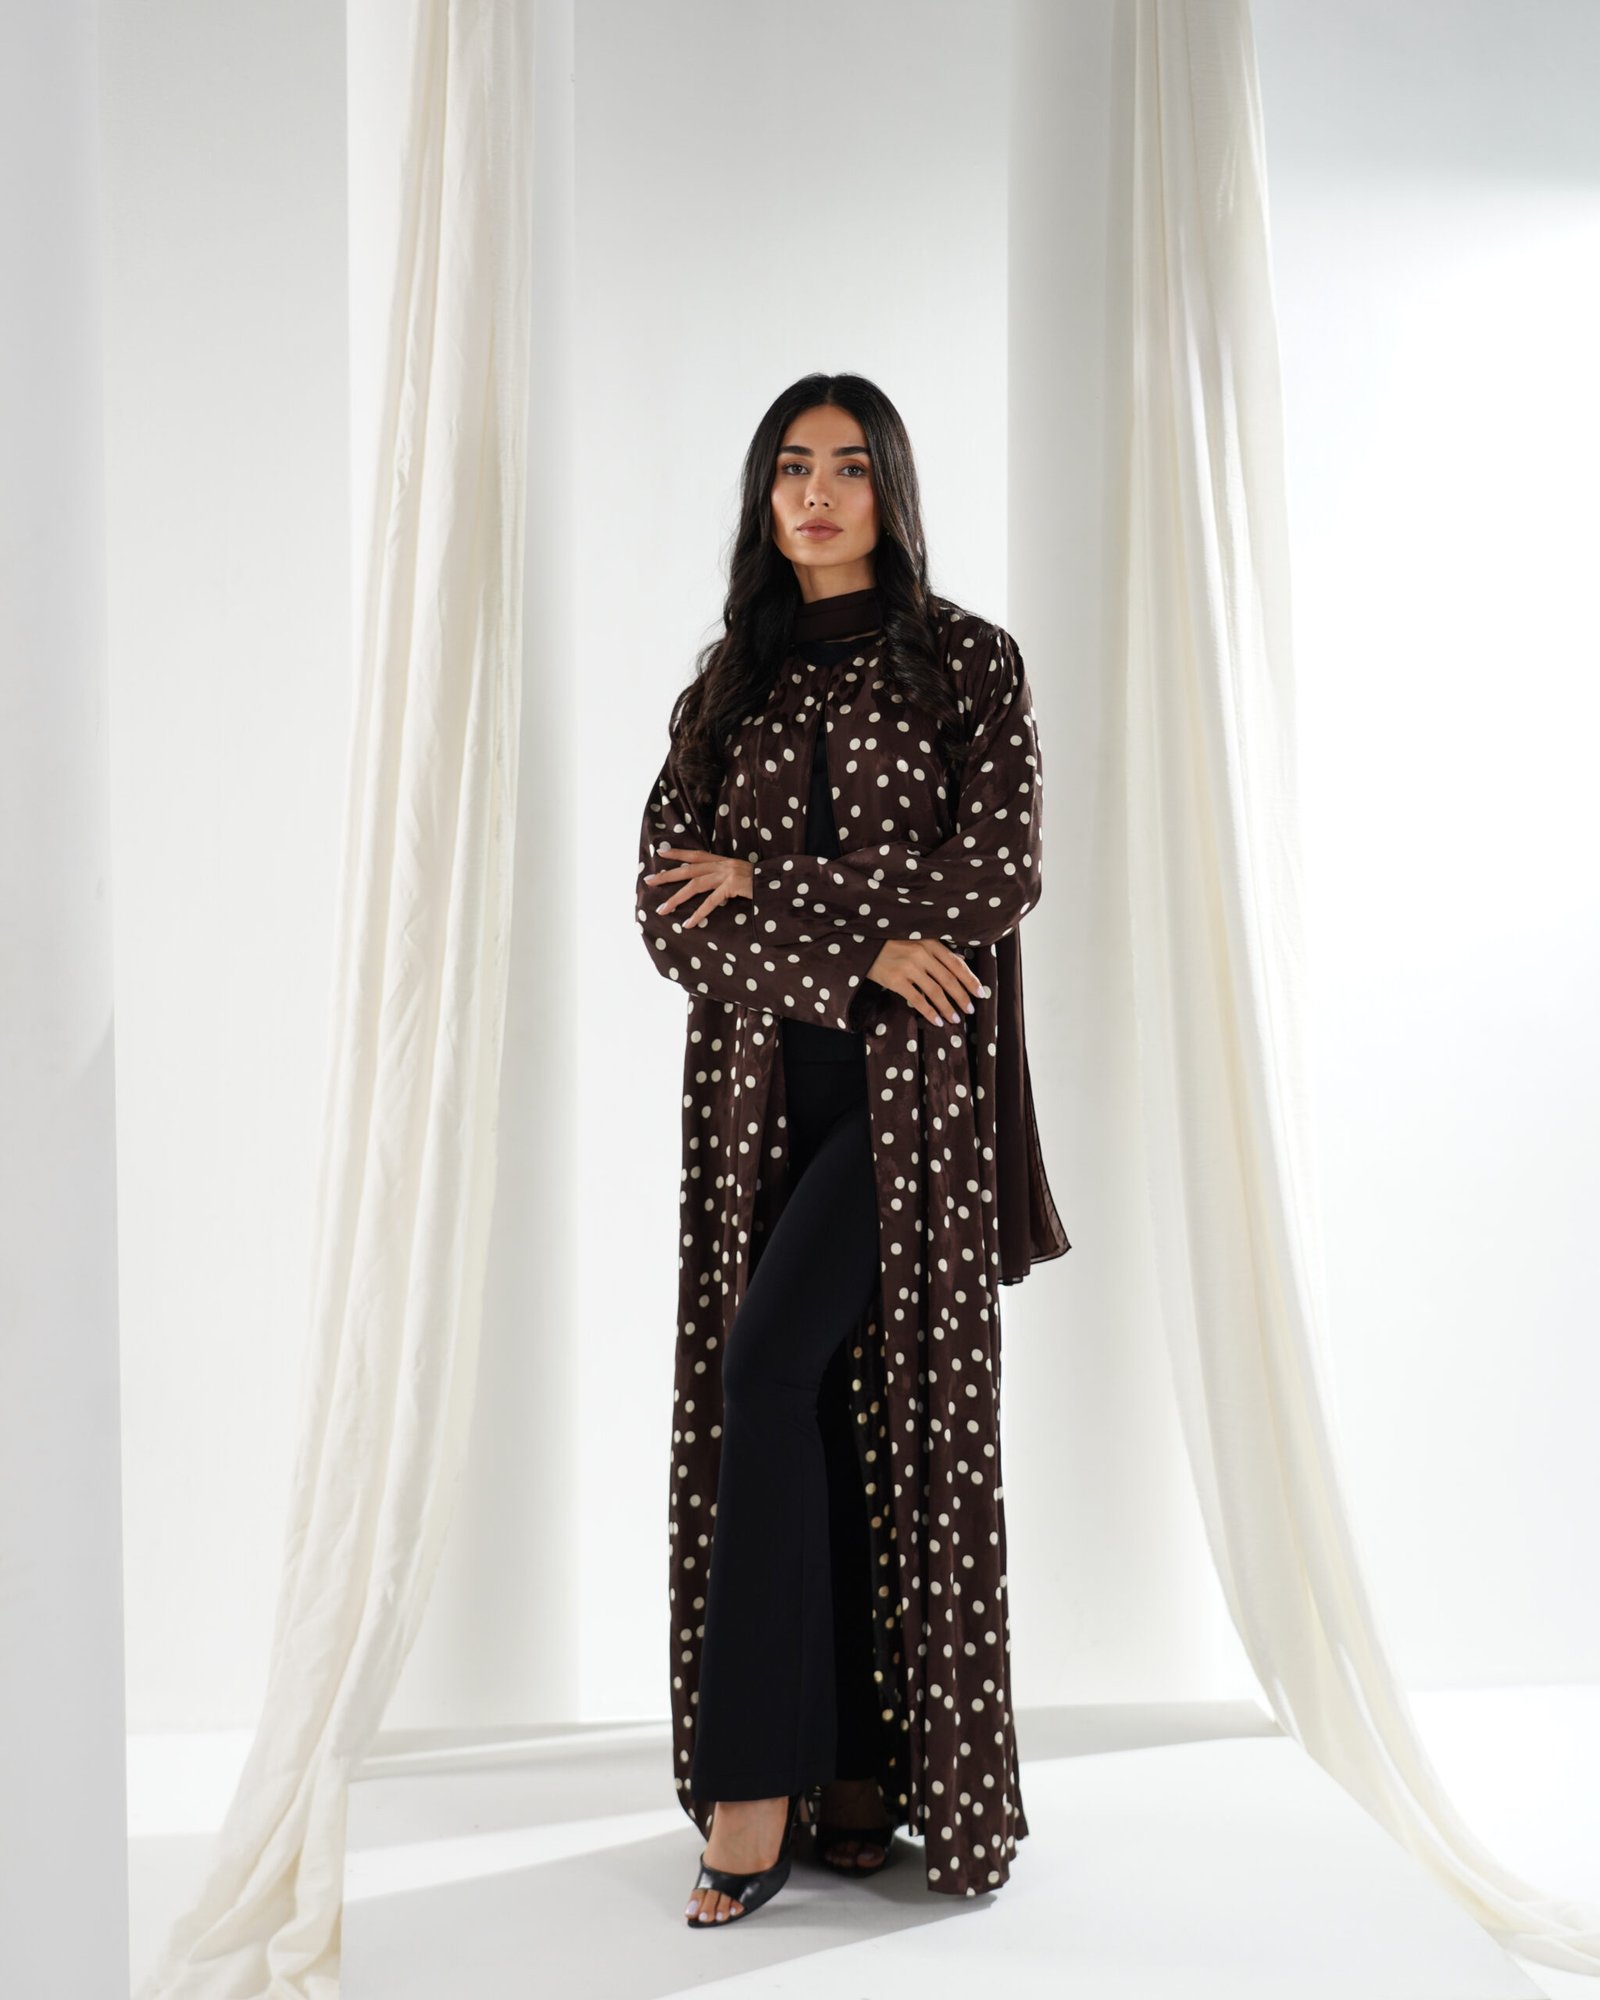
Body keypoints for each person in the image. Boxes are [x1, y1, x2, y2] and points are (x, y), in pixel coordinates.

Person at [637, 373, 1067, 1928]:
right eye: (791, 468)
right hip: (755, 1106)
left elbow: (995, 873)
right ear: (765, 497)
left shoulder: (967, 665)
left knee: (782, 1376)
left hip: (913, 1110)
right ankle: (857, 1774)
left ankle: (757, 1789)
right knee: (808, 1401)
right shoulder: (725, 690)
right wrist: (860, 946)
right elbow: (666, 913)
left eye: (849, 467)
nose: (816, 494)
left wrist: (772, 884)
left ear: (892, 489)